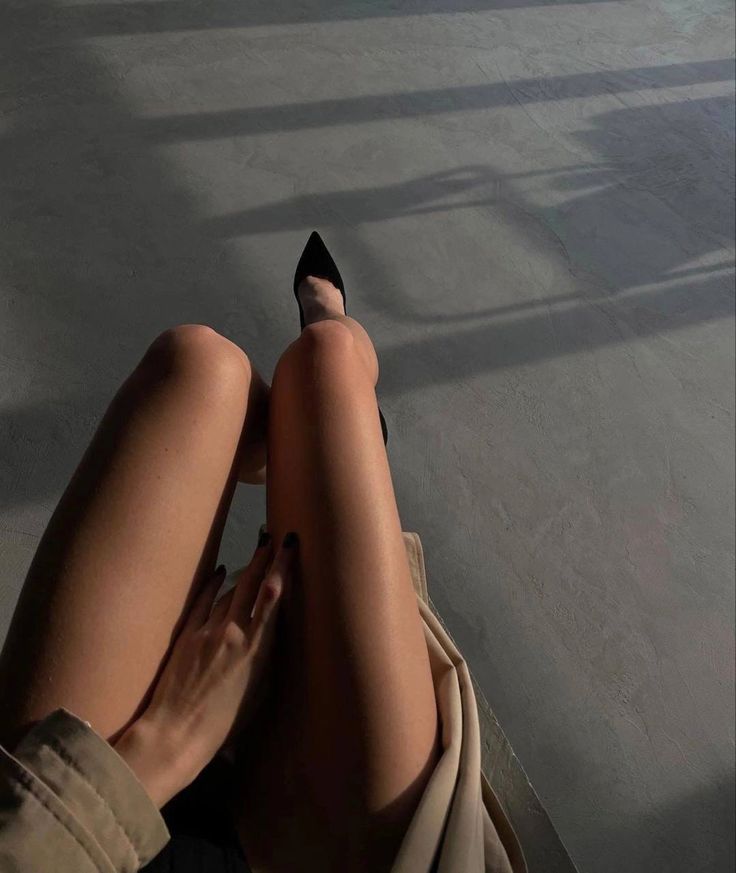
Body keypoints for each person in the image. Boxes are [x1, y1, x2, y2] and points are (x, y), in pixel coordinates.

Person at [0, 233, 524, 872]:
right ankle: (330, 396)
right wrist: (172, 740)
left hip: (57, 841)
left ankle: (300, 433)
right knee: (328, 360)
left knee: (197, 364)